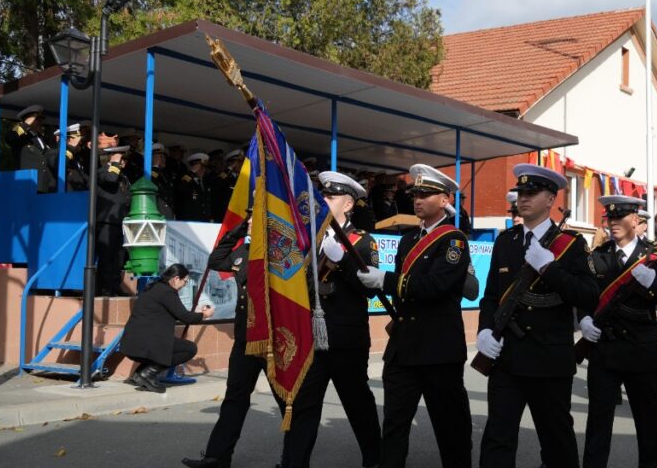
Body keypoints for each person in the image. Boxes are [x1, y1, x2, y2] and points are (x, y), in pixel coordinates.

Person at [475, 164, 597, 468]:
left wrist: (549, 269)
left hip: (549, 361)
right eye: (521, 193)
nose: (523, 199)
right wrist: (485, 331)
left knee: (556, 441)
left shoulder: (570, 246)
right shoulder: (506, 241)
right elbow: (491, 296)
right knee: (498, 438)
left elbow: (588, 295)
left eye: (532, 193)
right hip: (506, 358)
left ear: (550, 199)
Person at [353, 163, 472, 468]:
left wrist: (385, 280)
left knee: (450, 427)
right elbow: (403, 291)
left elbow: (435, 286)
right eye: (415, 193)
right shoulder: (408, 239)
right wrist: (387, 284)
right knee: (394, 425)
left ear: (445, 199)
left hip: (438, 350)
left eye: (426, 194)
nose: (417, 199)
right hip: (404, 348)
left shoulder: (454, 241)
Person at [281, 171, 382, 468]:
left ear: (348, 204)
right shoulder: (310, 237)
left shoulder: (363, 242)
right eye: (322, 195)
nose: (323, 201)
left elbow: (367, 289)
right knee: (304, 406)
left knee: (357, 403)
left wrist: (344, 263)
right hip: (312, 336)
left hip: (346, 338)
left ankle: (375, 458)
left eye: (330, 197)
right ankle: (293, 463)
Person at [183, 212, 289, 468]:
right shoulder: (245, 251)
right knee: (235, 398)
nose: (250, 222)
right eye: (249, 219)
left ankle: (293, 460)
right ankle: (217, 457)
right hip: (245, 338)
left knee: (287, 402)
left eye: (254, 220)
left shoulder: (279, 253)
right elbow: (215, 260)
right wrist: (237, 232)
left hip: (272, 339)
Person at [581, 195, 657, 468]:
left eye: (619, 217)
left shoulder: (656, 258)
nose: (612, 223)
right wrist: (583, 320)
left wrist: (655, 285)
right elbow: (585, 297)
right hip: (605, 350)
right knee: (598, 423)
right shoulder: (597, 257)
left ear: (635, 221)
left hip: (641, 350)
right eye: (609, 218)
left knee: (647, 421)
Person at [122, 264, 213, 393]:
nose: (184, 285)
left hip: (133, 343)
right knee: (189, 349)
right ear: (176, 279)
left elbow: (176, 312)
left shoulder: (155, 288)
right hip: (145, 343)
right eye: (185, 282)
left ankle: (139, 374)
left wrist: (197, 313)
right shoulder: (167, 292)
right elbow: (185, 317)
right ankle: (147, 374)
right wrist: (204, 315)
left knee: (169, 345)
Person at [96, 145, 132, 296]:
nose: (124, 162)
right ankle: (105, 288)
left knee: (119, 257)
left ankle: (115, 286)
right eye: (121, 158)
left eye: (123, 159)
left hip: (120, 221)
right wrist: (115, 162)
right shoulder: (102, 172)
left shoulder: (122, 176)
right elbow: (110, 179)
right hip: (106, 222)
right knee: (107, 256)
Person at [7, 104, 55, 193]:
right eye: (37, 120)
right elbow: (10, 138)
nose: (40, 123)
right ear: (29, 120)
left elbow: (47, 155)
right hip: (28, 183)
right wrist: (25, 125)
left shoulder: (40, 138)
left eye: (41, 120)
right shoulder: (21, 135)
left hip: (44, 184)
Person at [176, 152, 214, 221]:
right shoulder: (185, 180)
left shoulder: (206, 182)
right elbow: (181, 189)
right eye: (201, 167)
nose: (203, 170)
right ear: (193, 167)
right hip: (190, 222)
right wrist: (192, 172)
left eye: (204, 167)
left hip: (205, 221)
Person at [150, 143, 175, 219]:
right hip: (156, 215)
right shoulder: (148, 172)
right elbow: (150, 183)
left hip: (168, 214)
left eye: (164, 157)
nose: (164, 159)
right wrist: (155, 165)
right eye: (160, 157)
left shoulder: (165, 175)